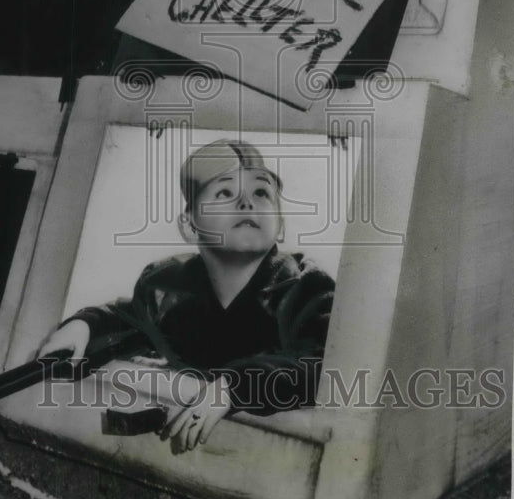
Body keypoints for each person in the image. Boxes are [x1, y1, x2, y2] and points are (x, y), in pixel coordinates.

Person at [39, 139, 335, 453]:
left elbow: (323, 366)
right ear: (190, 226)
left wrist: (236, 386)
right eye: (224, 192)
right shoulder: (166, 287)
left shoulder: (305, 287)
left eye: (261, 192)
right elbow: (130, 321)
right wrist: (84, 326)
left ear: (281, 225)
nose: (247, 203)